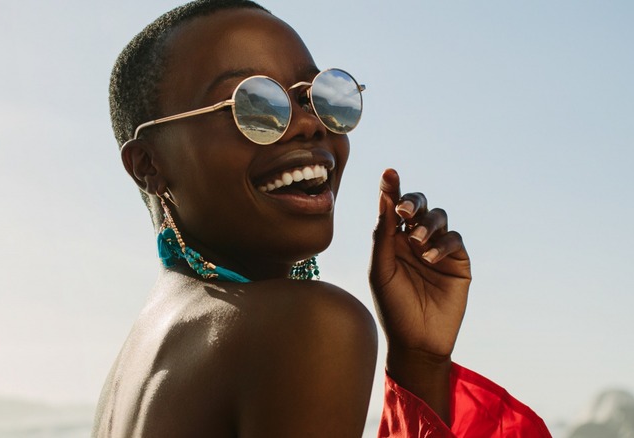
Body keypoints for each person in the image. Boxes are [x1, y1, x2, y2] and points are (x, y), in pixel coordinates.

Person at [93, 1, 551, 436]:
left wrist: (421, 364)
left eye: (318, 98)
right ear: (149, 165)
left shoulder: (133, 368)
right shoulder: (308, 326)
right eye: (253, 106)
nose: (310, 124)